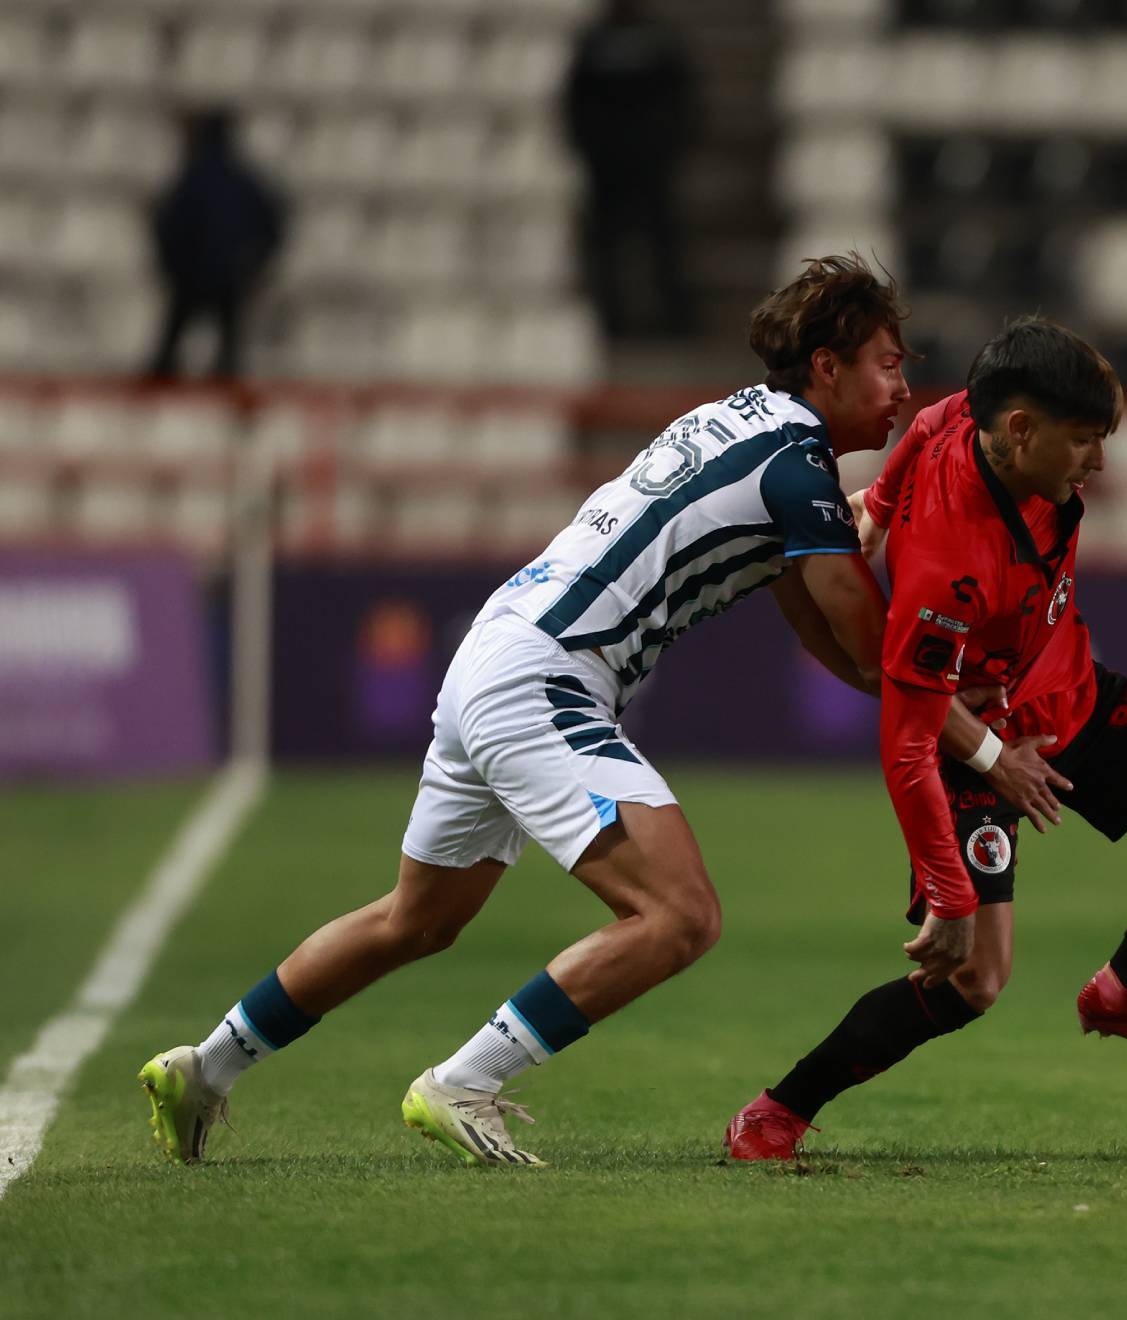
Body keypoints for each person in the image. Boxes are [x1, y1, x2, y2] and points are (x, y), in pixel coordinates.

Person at [137, 255, 1044, 1167]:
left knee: (415, 920)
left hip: (498, 653)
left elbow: (841, 647)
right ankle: (465, 1082)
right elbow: (871, 635)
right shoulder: (795, 464)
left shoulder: (748, 428)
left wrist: (924, 684)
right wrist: (983, 747)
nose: (902, 386)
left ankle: (203, 1069)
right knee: (678, 915)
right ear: (826, 367)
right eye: (888, 362)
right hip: (547, 677)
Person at [723, 318, 1127, 1161]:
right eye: (1086, 440)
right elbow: (909, 738)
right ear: (1023, 431)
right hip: (980, 738)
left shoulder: (976, 417)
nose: (1098, 461)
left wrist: (875, 507)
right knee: (973, 980)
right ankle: (780, 1109)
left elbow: (930, 417)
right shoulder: (950, 568)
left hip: (1070, 692)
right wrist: (950, 892)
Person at [561, 0, 695, 338]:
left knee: (660, 244)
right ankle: (614, 321)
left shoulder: (659, 42)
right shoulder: (594, 42)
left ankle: (672, 318)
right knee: (610, 247)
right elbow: (576, 106)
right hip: (609, 167)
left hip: (650, 164)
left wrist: (669, 147)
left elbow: (682, 103)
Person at [144, 108, 285, 379]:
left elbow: (167, 225)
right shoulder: (244, 181)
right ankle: (223, 385)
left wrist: (172, 266)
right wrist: (254, 265)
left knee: (172, 344)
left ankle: (161, 384)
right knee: (228, 349)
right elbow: (272, 223)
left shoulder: (191, 179)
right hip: (228, 276)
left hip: (192, 277)